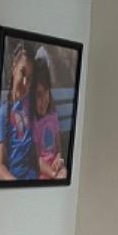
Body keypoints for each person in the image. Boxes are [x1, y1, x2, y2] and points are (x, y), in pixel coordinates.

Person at [0, 42, 37, 182]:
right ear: (14, 68)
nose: (25, 83)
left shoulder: (31, 105)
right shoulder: (4, 113)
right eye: (22, 73)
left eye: (29, 79)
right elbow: (0, 168)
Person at [30, 46, 67, 179]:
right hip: (43, 173)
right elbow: (37, 159)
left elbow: (59, 147)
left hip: (56, 169)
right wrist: (53, 174)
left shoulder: (53, 116)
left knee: (65, 174)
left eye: (46, 92)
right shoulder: (33, 122)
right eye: (38, 94)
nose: (43, 99)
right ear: (31, 97)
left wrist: (59, 159)